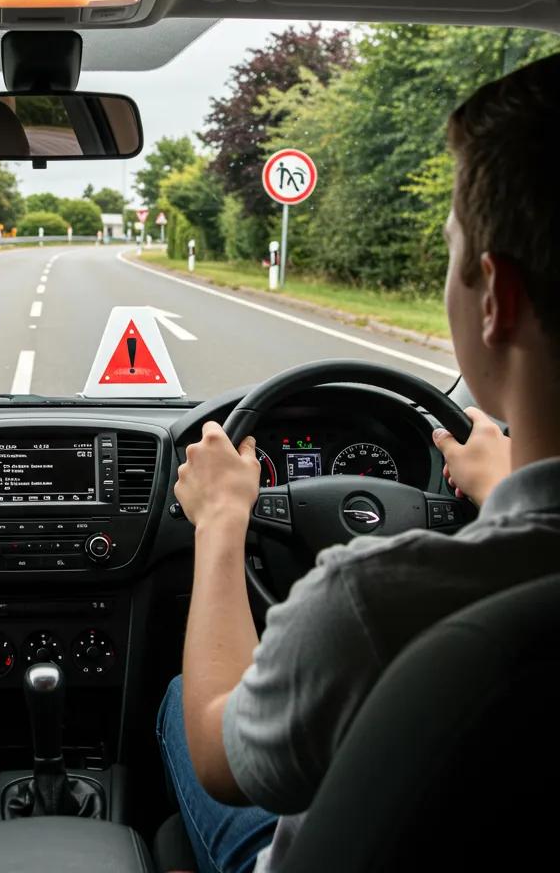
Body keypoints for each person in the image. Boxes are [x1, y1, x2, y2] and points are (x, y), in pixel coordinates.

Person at [157, 51, 560, 873]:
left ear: (497, 298)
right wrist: (513, 491)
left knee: (176, 701)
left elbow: (215, 747)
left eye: (450, 254)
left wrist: (224, 523)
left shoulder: (375, 608)